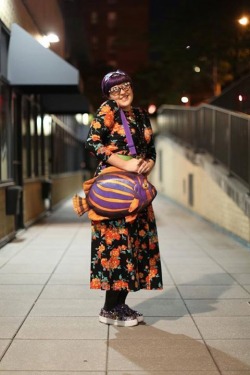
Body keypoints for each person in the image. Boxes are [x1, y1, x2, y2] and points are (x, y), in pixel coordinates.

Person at [85, 69, 163, 327]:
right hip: (114, 190)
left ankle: (118, 304)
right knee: (117, 246)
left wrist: (147, 164)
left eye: (126, 85)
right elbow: (93, 143)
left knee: (136, 246)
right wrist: (126, 165)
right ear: (108, 94)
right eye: (116, 89)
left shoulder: (141, 115)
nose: (122, 92)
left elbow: (150, 149)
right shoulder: (108, 109)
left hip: (136, 189)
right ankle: (109, 308)